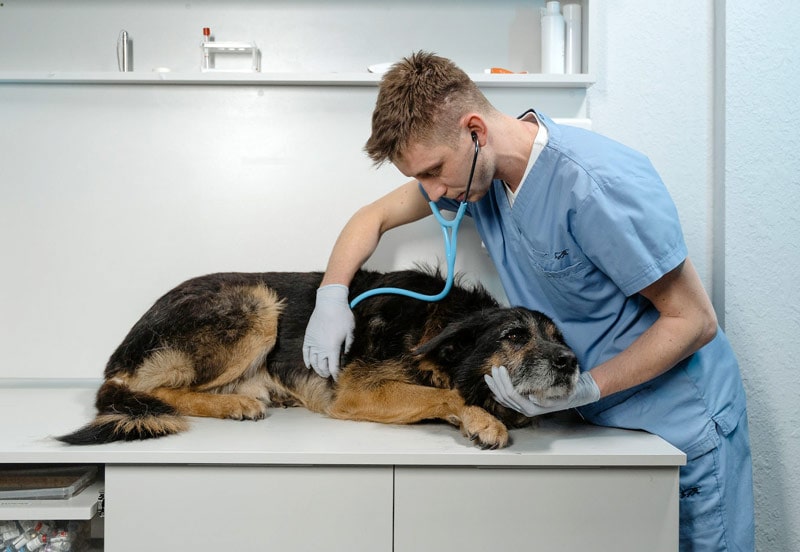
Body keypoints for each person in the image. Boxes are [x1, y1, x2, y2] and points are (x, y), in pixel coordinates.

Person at [302, 51, 753, 551]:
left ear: (475, 131)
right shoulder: (481, 177)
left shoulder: (595, 185)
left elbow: (694, 321)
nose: (432, 192)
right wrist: (332, 294)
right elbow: (372, 217)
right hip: (595, 426)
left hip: (676, 423)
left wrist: (586, 389)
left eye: (433, 171)